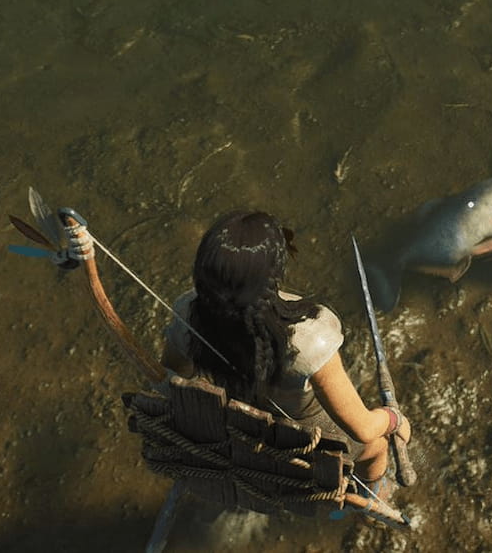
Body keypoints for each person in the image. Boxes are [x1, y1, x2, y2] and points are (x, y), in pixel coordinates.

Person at [159, 211, 411, 502]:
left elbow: (171, 376)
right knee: (377, 447)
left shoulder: (187, 312)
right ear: (272, 276)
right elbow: (363, 429)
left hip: (240, 429)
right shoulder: (311, 338)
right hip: (303, 439)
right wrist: (393, 420)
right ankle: (373, 495)